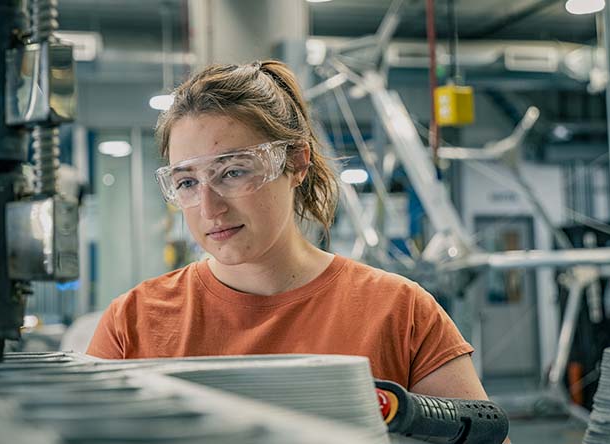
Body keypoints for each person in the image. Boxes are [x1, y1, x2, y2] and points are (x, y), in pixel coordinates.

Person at [87, 60, 488, 401]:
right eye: (188, 182)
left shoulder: (398, 312)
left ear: (296, 163)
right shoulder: (135, 321)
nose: (209, 208)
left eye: (233, 172)